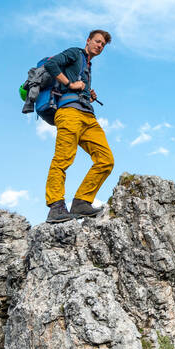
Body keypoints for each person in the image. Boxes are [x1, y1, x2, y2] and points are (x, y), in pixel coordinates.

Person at [43, 30, 114, 223]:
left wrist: (87, 94)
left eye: (103, 45)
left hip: (87, 116)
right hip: (69, 113)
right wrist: (70, 84)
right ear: (88, 41)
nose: (99, 46)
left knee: (106, 160)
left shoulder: (87, 66)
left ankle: (81, 202)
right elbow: (51, 64)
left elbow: (78, 84)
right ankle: (56, 206)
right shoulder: (75, 53)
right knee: (63, 158)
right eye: (97, 41)